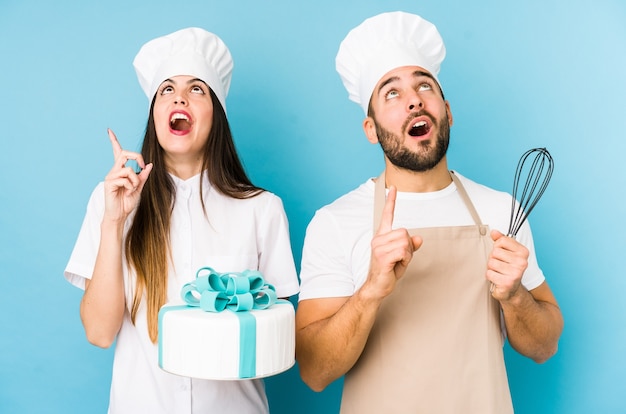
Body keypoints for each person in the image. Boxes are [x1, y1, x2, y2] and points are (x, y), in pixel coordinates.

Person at [295, 11, 563, 413]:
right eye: (392, 92)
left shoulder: (501, 211)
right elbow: (314, 371)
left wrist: (514, 296)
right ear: (371, 129)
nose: (414, 99)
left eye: (424, 86)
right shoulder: (335, 222)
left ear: (447, 112)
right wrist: (370, 291)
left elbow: (545, 346)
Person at [64, 27, 299, 413]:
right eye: (167, 90)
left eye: (197, 89)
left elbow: (277, 340)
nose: (180, 98)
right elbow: (99, 332)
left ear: (216, 113)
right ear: (156, 113)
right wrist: (113, 224)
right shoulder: (111, 201)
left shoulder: (262, 209)